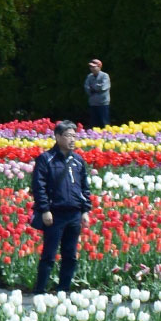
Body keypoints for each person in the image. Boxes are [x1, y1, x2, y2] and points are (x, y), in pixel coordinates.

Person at [29, 120, 93, 294]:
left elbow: (84, 187)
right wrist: (45, 210)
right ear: (57, 137)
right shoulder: (46, 159)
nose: (72, 139)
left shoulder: (78, 160)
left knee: (70, 255)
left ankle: (63, 290)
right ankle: (40, 290)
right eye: (68, 136)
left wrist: (85, 210)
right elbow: (39, 186)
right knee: (49, 255)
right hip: (55, 214)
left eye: (74, 136)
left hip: (74, 214)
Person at [83, 59, 111, 128]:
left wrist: (93, 87)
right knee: (94, 124)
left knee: (105, 123)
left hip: (103, 103)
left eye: (94, 67)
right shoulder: (89, 76)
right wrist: (95, 87)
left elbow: (103, 87)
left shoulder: (105, 76)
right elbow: (86, 87)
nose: (92, 68)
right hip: (93, 103)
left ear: (99, 67)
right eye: (90, 67)